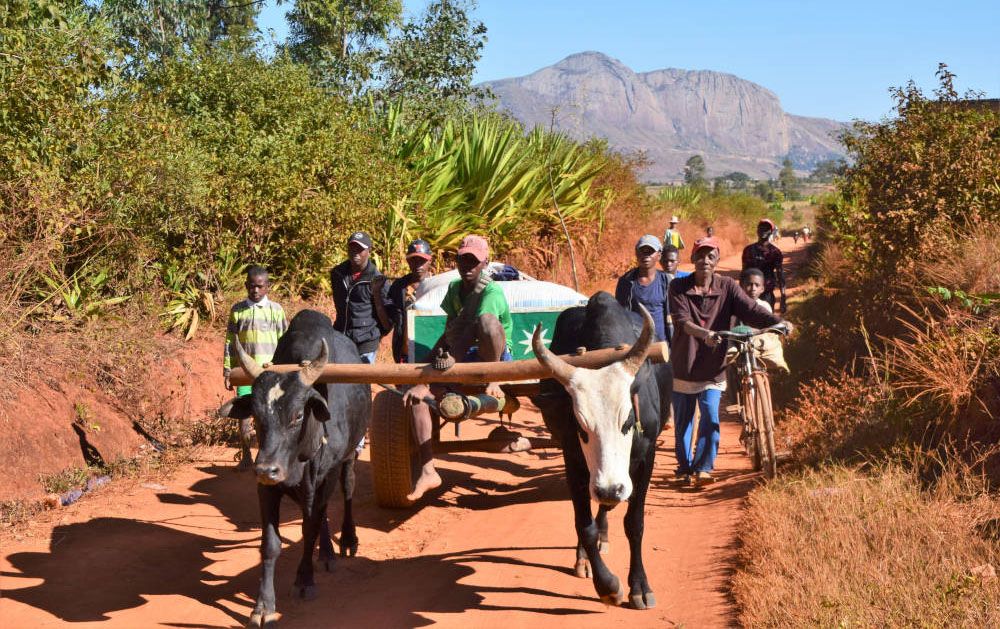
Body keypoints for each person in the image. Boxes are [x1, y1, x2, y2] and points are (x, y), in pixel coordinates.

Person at [669, 237, 791, 487]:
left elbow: (751, 310)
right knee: (684, 421)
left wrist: (776, 322)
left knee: (710, 415)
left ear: (717, 260)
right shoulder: (679, 287)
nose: (705, 260)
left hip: (714, 366)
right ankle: (684, 467)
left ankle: (703, 467)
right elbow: (681, 321)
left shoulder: (727, 287)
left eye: (711, 256)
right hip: (685, 361)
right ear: (692, 259)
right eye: (700, 255)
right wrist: (706, 334)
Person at [401, 235, 513, 501]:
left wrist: (493, 378)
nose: (467, 265)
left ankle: (492, 379)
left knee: (484, 321)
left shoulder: (491, 291)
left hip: (494, 357)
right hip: (463, 353)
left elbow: (475, 329)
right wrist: (425, 377)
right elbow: (453, 330)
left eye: (473, 260)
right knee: (418, 397)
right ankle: (428, 471)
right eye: (463, 259)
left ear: (485, 261)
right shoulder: (454, 289)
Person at [223, 265, 289, 469]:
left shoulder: (276, 311)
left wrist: (284, 369)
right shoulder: (238, 311)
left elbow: (285, 340)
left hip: (270, 373)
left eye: (260, 286)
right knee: (244, 415)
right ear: (246, 286)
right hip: (244, 373)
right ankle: (245, 456)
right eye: (252, 286)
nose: (255, 291)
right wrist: (228, 370)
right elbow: (229, 343)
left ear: (268, 287)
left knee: (268, 417)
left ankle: (265, 455)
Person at [330, 231, 389, 364]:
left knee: (361, 382)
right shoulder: (337, 274)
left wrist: (375, 336)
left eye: (360, 249)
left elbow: (387, 319)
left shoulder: (378, 279)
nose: (355, 252)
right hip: (341, 339)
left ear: (369, 250)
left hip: (366, 343)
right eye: (352, 248)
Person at [374, 239, 434, 364]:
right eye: (413, 260)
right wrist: (376, 294)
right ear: (407, 261)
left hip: (431, 352)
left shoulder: (437, 286)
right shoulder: (399, 287)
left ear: (430, 260)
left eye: (422, 260)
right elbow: (388, 323)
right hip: (404, 354)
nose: (418, 265)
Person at [616, 235, 670, 343]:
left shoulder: (667, 281)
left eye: (650, 251)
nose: (646, 255)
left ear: (659, 255)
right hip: (635, 344)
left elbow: (673, 317)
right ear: (636, 254)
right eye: (642, 251)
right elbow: (620, 315)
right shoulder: (625, 282)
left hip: (661, 344)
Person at [741, 219, 787, 312]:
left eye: (766, 229)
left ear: (771, 232)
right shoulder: (748, 250)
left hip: (767, 294)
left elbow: (780, 274)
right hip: (749, 293)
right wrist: (739, 293)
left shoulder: (775, 252)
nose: (763, 231)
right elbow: (744, 272)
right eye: (761, 228)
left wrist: (783, 297)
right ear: (757, 230)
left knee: (766, 322)